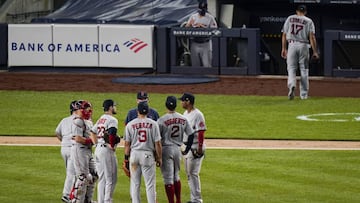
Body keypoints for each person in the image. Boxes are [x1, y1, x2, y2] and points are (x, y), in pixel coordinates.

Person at [157, 96, 195, 203]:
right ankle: (178, 200)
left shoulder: (161, 120)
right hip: (178, 150)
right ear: (175, 105)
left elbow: (157, 139)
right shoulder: (183, 118)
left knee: (168, 179)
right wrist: (187, 150)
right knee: (176, 176)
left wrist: (157, 155)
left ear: (166, 105)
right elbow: (191, 134)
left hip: (165, 150)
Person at [124, 101, 162, 203]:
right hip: (148, 156)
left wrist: (125, 159)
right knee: (150, 185)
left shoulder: (130, 124)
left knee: (135, 184)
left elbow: (127, 145)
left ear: (137, 111)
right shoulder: (153, 124)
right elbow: (157, 144)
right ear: (148, 111)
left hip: (134, 155)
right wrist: (159, 157)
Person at [281, 4, 319, 100]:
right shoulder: (308, 21)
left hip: (292, 44)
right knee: (304, 70)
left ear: (297, 11)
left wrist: (284, 48)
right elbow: (312, 37)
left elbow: (284, 35)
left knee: (291, 68)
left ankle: (292, 85)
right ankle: (304, 95)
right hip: (303, 45)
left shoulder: (290, 18)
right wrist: (315, 51)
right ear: (305, 12)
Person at [178, 93, 207, 203]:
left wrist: (200, 147)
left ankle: (197, 200)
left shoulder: (198, 114)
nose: (181, 102)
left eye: (182, 101)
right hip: (186, 147)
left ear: (188, 101)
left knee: (193, 174)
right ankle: (194, 199)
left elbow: (201, 131)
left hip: (195, 147)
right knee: (189, 174)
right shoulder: (185, 113)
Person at [91, 99, 120, 203]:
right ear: (111, 107)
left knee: (102, 178)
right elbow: (112, 134)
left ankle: (101, 201)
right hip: (107, 151)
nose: (115, 108)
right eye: (114, 106)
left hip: (98, 150)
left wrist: (96, 144)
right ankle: (107, 201)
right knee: (111, 179)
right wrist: (112, 146)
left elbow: (92, 132)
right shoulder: (112, 120)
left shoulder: (101, 118)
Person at [69, 100, 98, 203]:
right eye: (85, 108)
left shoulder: (89, 121)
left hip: (88, 151)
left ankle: (88, 200)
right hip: (79, 151)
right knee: (83, 177)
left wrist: (93, 140)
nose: (87, 110)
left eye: (88, 108)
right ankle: (77, 200)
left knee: (94, 174)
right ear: (78, 110)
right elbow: (78, 139)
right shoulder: (78, 121)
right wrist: (94, 140)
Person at [55, 100, 77, 203]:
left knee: (70, 172)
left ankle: (73, 194)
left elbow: (57, 133)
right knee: (72, 173)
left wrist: (64, 141)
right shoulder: (79, 120)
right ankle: (67, 195)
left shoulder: (64, 120)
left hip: (64, 148)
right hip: (73, 149)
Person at [185, 0, 218, 67]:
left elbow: (215, 30)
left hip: (205, 43)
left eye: (203, 10)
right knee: (195, 65)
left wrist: (203, 27)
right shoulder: (193, 16)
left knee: (207, 65)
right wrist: (194, 26)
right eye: (200, 10)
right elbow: (186, 27)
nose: (201, 12)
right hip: (195, 42)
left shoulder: (210, 17)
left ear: (206, 9)